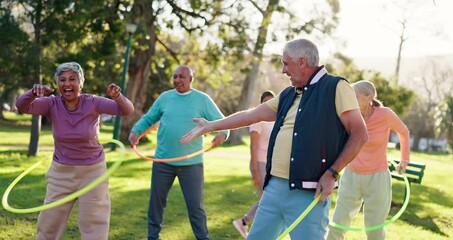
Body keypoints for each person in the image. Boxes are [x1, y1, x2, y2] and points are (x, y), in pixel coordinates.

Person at [180, 38, 369, 239]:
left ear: (302, 62)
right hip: (274, 189)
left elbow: (360, 134)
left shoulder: (336, 87)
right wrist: (211, 125)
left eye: (285, 63)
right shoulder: (289, 94)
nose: (283, 70)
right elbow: (251, 115)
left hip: (309, 192)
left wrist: (332, 173)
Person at [15, 61, 135, 240]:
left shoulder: (93, 102)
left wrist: (117, 96)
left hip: (93, 173)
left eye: (72, 79)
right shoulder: (51, 103)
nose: (67, 83)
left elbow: (126, 110)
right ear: (58, 84)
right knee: (48, 226)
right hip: (60, 173)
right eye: (62, 80)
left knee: (94, 228)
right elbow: (22, 106)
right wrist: (33, 93)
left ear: (80, 83)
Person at [128, 65, 229, 240]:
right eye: (175, 77)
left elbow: (221, 121)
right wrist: (136, 131)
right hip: (163, 162)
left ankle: (202, 238)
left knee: (195, 207)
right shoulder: (165, 98)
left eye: (181, 77)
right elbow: (149, 117)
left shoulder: (202, 99)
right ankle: (153, 237)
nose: (177, 80)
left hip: (191, 164)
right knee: (156, 205)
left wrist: (223, 133)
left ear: (191, 79)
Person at [327, 80, 410, 240]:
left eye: (355, 95)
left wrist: (404, 160)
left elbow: (404, 131)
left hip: (377, 178)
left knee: (374, 230)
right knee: (337, 225)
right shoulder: (349, 114)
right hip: (351, 176)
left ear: (369, 97)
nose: (350, 99)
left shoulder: (384, 115)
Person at [232, 90, 276, 238]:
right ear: (261, 103)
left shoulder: (275, 120)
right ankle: (244, 222)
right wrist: (256, 171)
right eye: (266, 101)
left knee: (267, 199)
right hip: (259, 163)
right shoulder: (258, 121)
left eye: (272, 101)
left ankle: (251, 226)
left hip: (270, 165)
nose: (269, 104)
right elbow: (253, 146)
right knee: (268, 199)